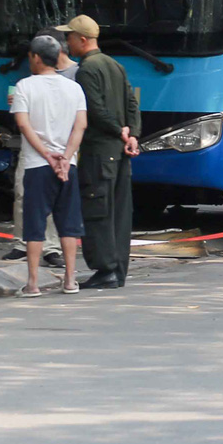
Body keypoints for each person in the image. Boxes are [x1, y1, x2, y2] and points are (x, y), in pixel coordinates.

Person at [59, 15, 141, 289]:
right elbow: (132, 103)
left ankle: (105, 268)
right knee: (119, 212)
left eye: (69, 37)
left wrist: (119, 130)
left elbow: (94, 109)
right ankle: (118, 269)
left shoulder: (87, 70)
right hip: (119, 151)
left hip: (98, 151)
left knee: (98, 211)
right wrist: (132, 134)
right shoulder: (115, 65)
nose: (67, 42)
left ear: (82, 40)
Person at [10, 34, 87, 296]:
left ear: (35, 57)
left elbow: (23, 124)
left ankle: (32, 284)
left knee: (34, 225)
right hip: (68, 165)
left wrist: (46, 154)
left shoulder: (24, 87)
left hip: (36, 165)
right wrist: (65, 156)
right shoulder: (74, 88)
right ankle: (69, 280)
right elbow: (81, 126)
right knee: (68, 223)